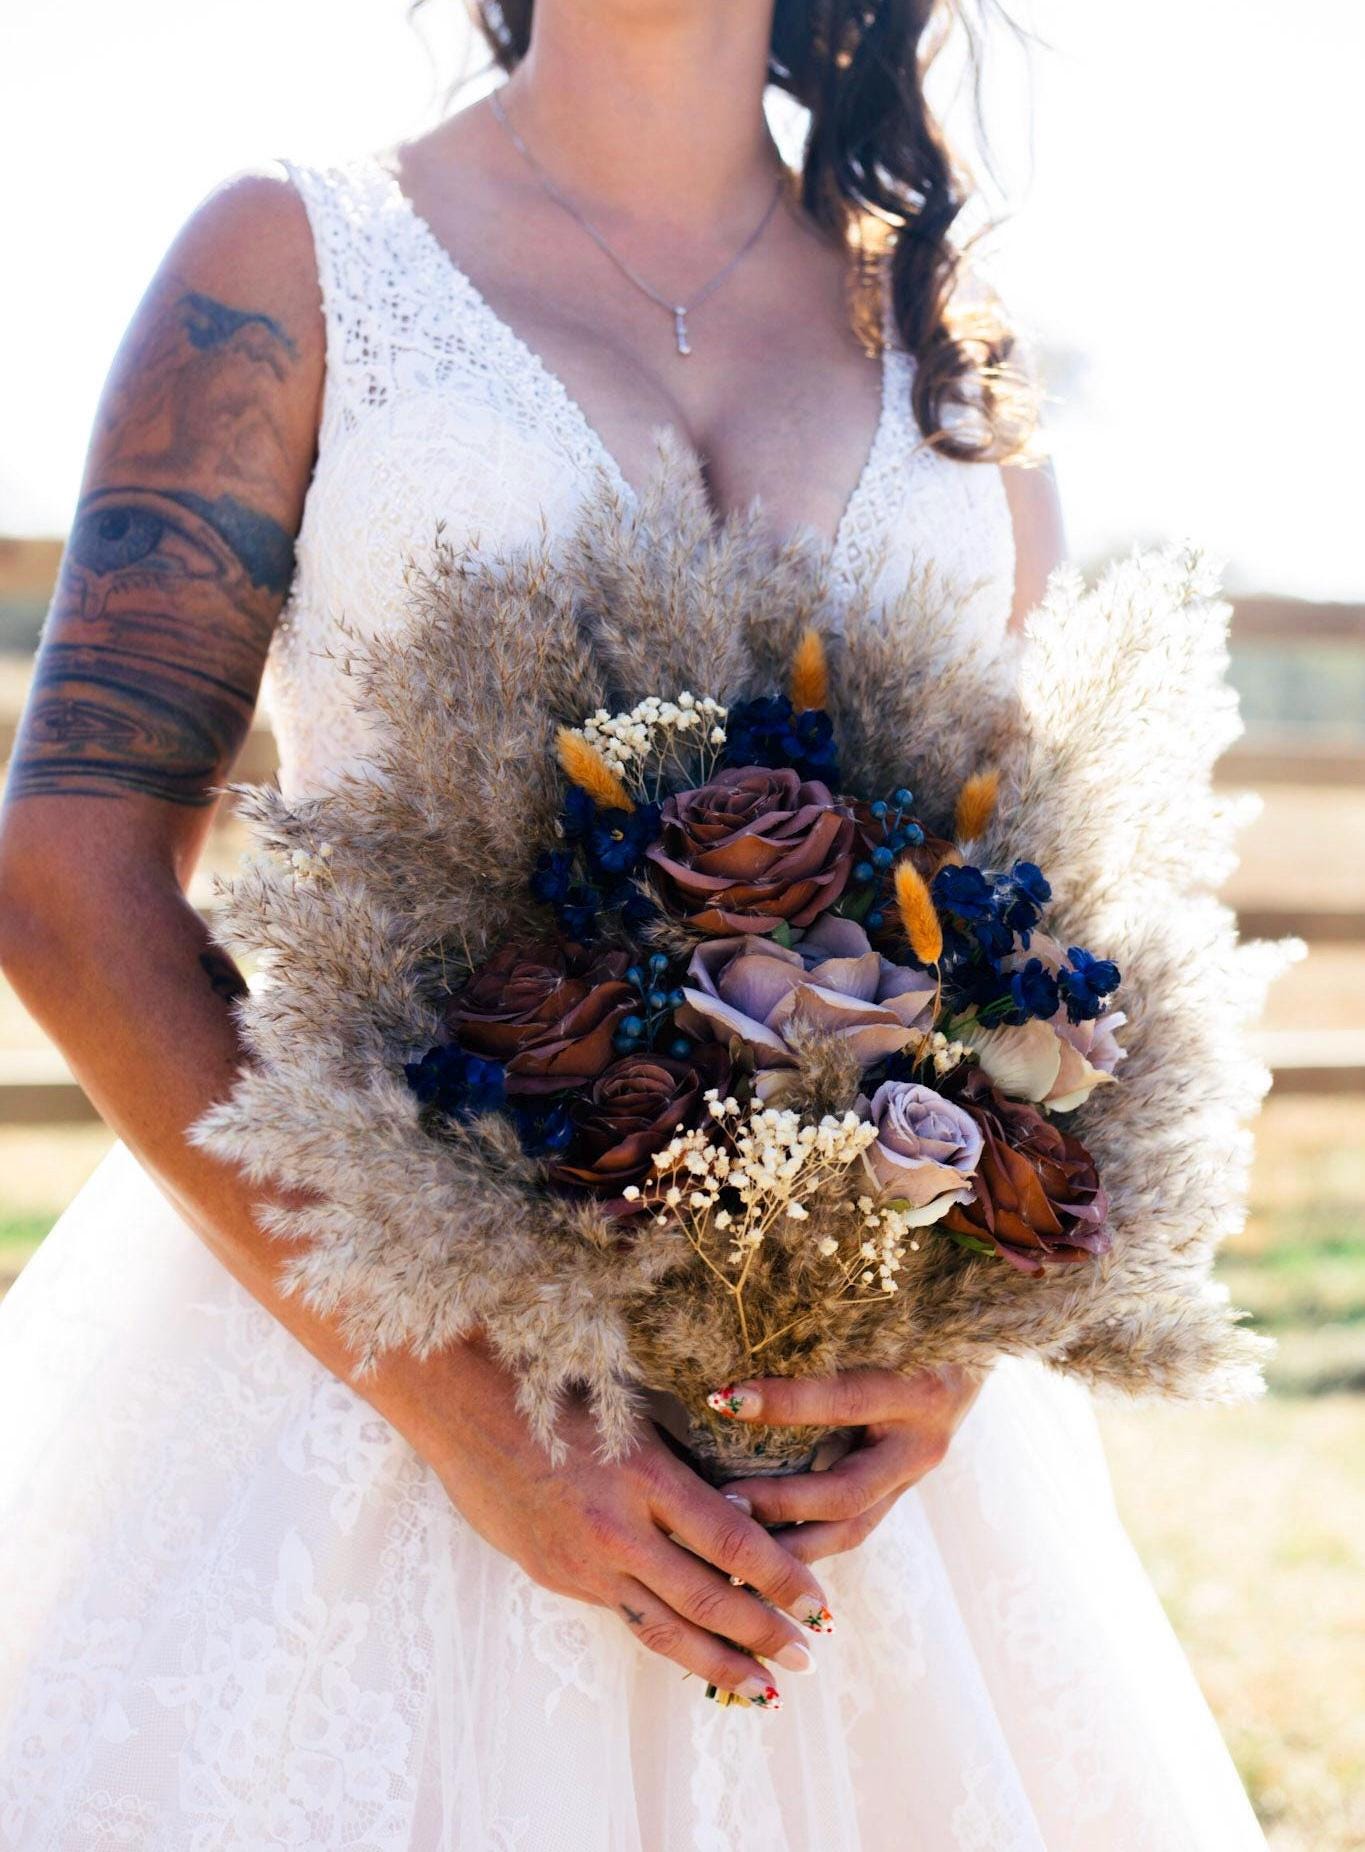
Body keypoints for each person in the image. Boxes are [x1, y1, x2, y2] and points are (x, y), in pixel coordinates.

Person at [0, 2, 1268, 1844]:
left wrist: (955, 1350)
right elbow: (71, 875)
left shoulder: (945, 329)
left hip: (842, 1474)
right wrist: (474, 1424)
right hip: (368, 1367)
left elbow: (1041, 895)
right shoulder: (293, 260)